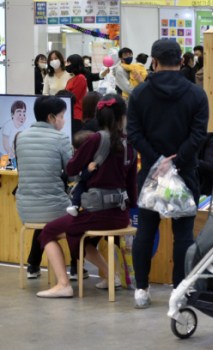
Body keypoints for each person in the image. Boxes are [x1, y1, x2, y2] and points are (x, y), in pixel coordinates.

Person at [128, 39, 208, 308]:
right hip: (186, 172)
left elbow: (134, 135)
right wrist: (177, 161)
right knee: (183, 234)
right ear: (182, 61)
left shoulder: (139, 94)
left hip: (151, 173)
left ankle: (141, 289)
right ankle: (180, 290)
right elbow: (199, 136)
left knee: (146, 232)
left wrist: (158, 161)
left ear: (154, 61)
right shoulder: (197, 94)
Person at [35, 94, 137, 298]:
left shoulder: (95, 139)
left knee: (47, 232)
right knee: (85, 238)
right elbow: (132, 190)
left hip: (96, 214)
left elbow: (72, 167)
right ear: (123, 117)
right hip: (120, 215)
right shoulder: (130, 145)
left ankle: (63, 284)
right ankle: (111, 276)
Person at [14, 96, 74, 280]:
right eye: (62, 115)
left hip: (25, 209)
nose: (63, 120)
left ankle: (33, 265)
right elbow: (72, 173)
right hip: (54, 207)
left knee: (47, 211)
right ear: (51, 117)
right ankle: (77, 269)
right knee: (78, 215)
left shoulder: (21, 137)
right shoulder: (61, 138)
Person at [66, 130, 96, 216]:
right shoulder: (84, 160)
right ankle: (75, 206)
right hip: (87, 185)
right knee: (80, 186)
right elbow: (83, 176)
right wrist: (88, 171)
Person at [65, 54, 88, 136]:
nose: (67, 65)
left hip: (77, 114)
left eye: (69, 63)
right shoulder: (70, 79)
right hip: (69, 112)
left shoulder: (80, 78)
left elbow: (74, 96)